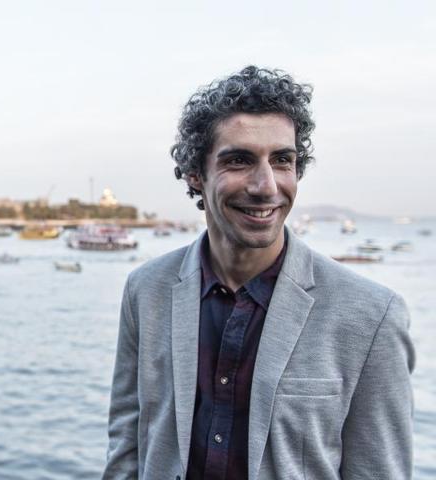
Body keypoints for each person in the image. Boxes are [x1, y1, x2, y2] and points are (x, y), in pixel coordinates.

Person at [103, 66, 415, 480]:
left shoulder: (372, 317)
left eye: (282, 160)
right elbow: (127, 445)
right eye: (239, 160)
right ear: (197, 172)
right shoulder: (146, 290)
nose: (266, 185)